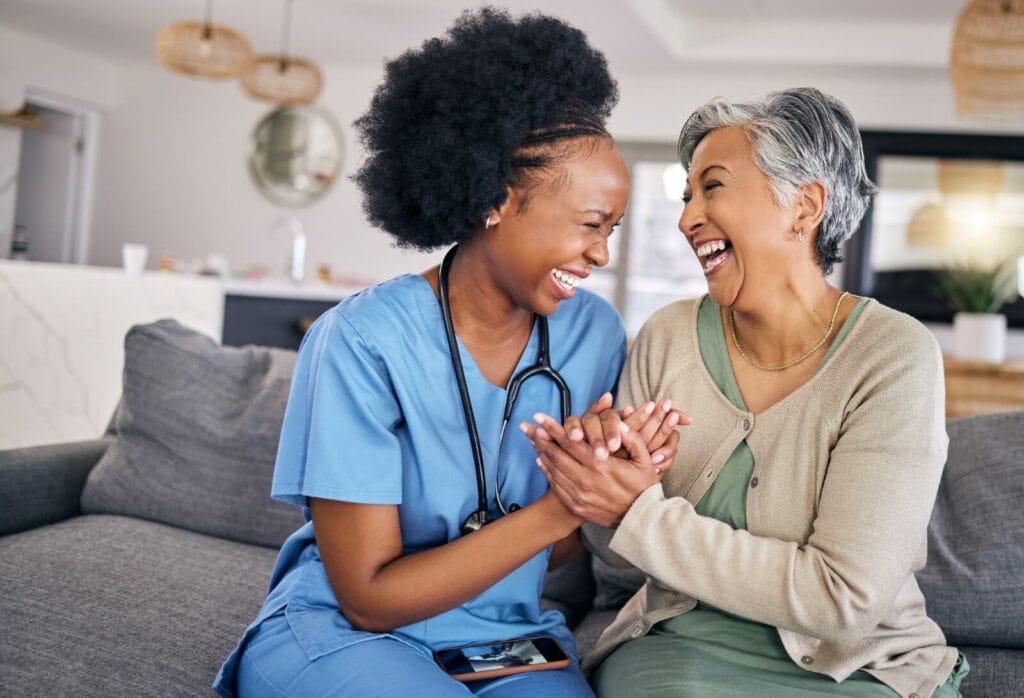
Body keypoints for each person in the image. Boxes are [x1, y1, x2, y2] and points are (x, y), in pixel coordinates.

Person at [212, 8, 681, 697]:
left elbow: (556, 559)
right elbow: (369, 597)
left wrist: (600, 474)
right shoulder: (361, 341)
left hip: (506, 637)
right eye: (589, 225)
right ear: (495, 197)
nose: (601, 254)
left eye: (611, 230)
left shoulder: (593, 335)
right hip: (354, 631)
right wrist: (564, 504)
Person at [523, 88, 969, 697]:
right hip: (679, 652)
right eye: (686, 196)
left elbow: (843, 600)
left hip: (857, 668)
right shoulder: (669, 336)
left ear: (804, 206)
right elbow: (623, 560)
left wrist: (637, 510)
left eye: (713, 187)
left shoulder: (892, 356)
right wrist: (605, 481)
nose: (686, 219)